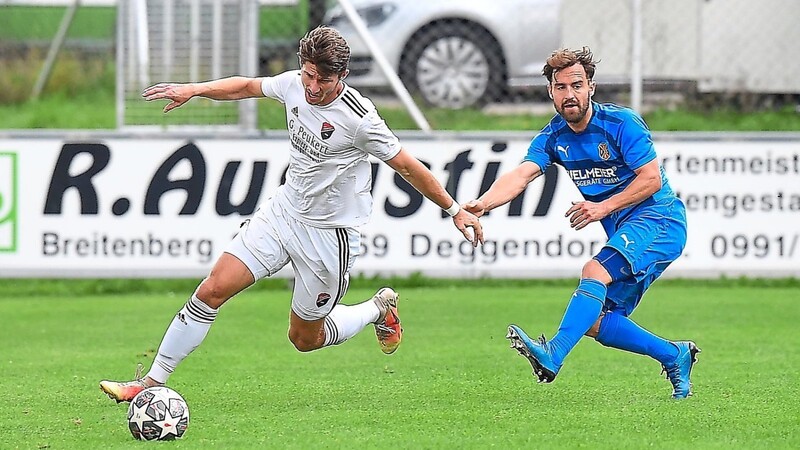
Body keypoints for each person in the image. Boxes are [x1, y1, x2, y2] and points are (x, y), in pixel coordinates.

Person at [100, 25, 484, 403]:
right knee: (213, 288)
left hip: (327, 236)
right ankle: (150, 383)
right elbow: (247, 86)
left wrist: (452, 209)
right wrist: (194, 90)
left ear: (343, 77)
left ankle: (377, 309)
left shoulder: (360, 119)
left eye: (325, 80)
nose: (314, 88)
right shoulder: (294, 85)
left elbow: (406, 165)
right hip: (282, 214)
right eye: (309, 75)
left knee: (304, 340)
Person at [464, 47, 700, 399]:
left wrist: (602, 207)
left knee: (593, 271)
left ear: (591, 86)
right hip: (627, 230)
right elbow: (522, 175)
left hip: (659, 220)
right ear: (550, 92)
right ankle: (674, 354)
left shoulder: (621, 123)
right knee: (592, 321)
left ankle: (554, 354)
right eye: (561, 87)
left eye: (577, 85)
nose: (569, 94)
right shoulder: (554, 136)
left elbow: (650, 179)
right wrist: (483, 203)